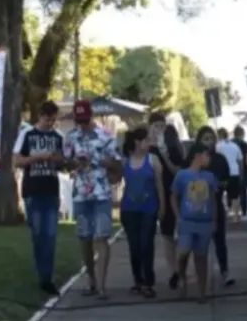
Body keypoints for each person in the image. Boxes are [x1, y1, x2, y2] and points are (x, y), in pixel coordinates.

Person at [64, 100, 122, 299]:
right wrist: (74, 163)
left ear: (91, 116)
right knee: (85, 239)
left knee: (101, 237)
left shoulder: (106, 137)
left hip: (101, 193)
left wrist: (98, 160)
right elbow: (66, 163)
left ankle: (102, 286)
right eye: (78, 120)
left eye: (84, 120)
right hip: (81, 193)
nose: (81, 124)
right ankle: (91, 281)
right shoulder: (71, 137)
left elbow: (117, 166)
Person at [13, 101, 66, 294]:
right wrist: (38, 158)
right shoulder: (27, 134)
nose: (50, 123)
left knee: (50, 235)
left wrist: (58, 159)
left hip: (51, 190)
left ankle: (47, 277)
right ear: (40, 116)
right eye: (47, 119)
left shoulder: (59, 137)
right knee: (38, 234)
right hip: (32, 190)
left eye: (53, 119)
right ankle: (41, 271)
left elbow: (63, 161)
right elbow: (17, 160)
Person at [171, 143, 220, 302]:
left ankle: (202, 292)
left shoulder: (210, 177)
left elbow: (213, 200)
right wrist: (178, 215)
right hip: (187, 221)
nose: (209, 159)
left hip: (204, 222)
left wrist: (214, 219)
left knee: (201, 257)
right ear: (197, 156)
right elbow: (174, 196)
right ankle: (181, 276)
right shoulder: (182, 175)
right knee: (183, 251)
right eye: (207, 155)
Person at [119, 127, 164, 299]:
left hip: (149, 208)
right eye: (146, 140)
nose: (149, 143)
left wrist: (162, 206)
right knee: (134, 246)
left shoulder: (153, 160)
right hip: (129, 209)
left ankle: (148, 282)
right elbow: (116, 178)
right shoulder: (126, 161)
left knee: (146, 244)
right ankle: (137, 280)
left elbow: (159, 185)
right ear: (137, 142)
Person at [146, 112, 186, 290]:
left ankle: (181, 270)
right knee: (166, 235)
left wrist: (164, 154)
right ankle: (173, 273)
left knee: (176, 234)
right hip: (152, 195)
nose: (158, 130)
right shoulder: (145, 146)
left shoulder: (171, 143)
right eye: (155, 126)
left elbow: (178, 170)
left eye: (161, 126)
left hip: (172, 193)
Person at [197, 127, 235, 286]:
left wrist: (221, 187)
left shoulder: (220, 159)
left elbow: (227, 180)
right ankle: (201, 276)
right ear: (199, 141)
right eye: (205, 139)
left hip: (216, 205)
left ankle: (224, 270)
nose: (209, 142)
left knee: (220, 240)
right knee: (200, 244)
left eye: (211, 138)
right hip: (198, 207)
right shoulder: (195, 160)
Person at [215, 128, 244, 224]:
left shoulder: (218, 146)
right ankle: (236, 216)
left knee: (219, 195)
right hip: (234, 172)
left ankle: (223, 214)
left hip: (222, 174)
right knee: (235, 196)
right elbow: (240, 161)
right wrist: (241, 173)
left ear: (219, 136)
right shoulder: (234, 146)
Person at [231, 126, 247, 218]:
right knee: (243, 192)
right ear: (242, 134)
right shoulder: (244, 144)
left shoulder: (229, 144)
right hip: (243, 171)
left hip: (231, 171)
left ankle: (234, 211)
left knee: (233, 192)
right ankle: (244, 211)